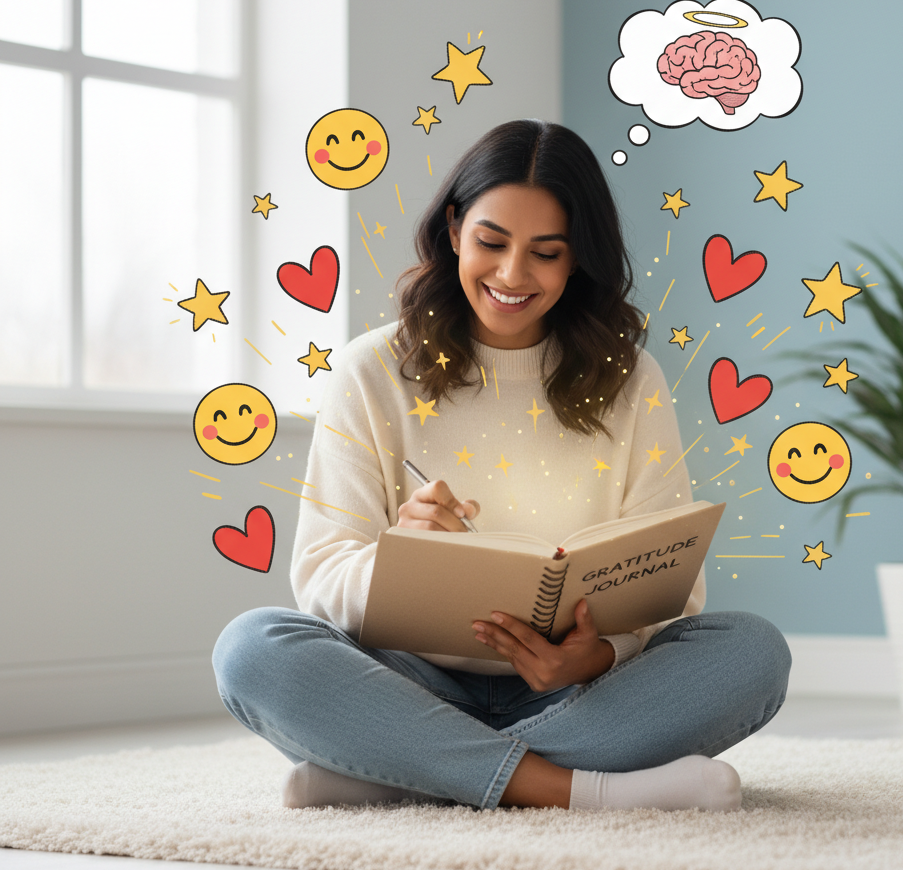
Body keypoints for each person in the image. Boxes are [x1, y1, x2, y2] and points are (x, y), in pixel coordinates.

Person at [212, 119, 790, 813]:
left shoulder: (631, 378)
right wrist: (402, 560)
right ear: (454, 229)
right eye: (491, 242)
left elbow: (672, 583)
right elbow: (321, 577)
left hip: (576, 691)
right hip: (410, 682)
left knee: (753, 651)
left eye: (545, 254)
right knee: (252, 648)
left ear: (577, 259)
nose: (513, 276)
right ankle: (570, 788)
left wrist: (596, 655)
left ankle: (400, 770)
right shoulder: (372, 370)